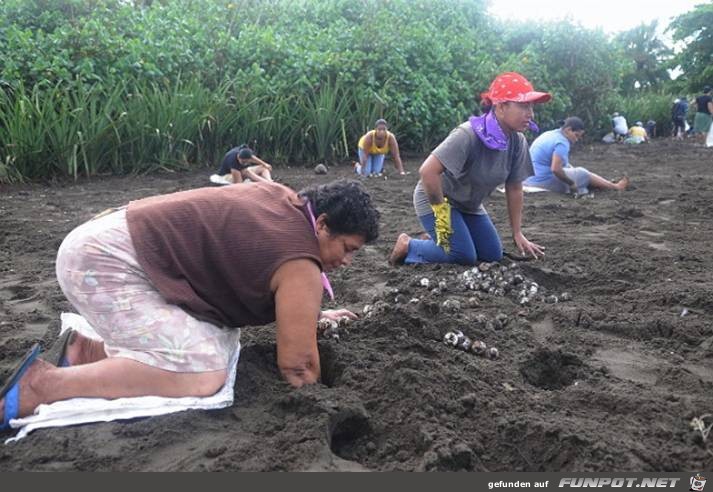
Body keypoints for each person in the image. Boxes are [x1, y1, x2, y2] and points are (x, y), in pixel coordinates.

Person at [0, 180, 380, 427]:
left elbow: (271, 274)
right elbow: (298, 366)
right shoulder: (300, 259)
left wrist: (311, 312)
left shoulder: (287, 204)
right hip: (105, 263)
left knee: (217, 338)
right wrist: (322, 409)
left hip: (106, 241)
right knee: (205, 371)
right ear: (323, 224)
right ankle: (46, 386)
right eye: (347, 249)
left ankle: (88, 351)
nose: (346, 261)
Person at [389, 72, 548, 267]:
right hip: (436, 200)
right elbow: (427, 172)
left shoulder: (518, 142)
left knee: (492, 254)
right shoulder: (468, 134)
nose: (530, 114)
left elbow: (514, 188)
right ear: (500, 107)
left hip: (469, 205)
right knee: (463, 255)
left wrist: (517, 233)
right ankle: (409, 245)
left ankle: (435, 242)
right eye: (523, 106)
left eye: (531, 106)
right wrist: (442, 216)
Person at [523, 117, 629, 195]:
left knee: (572, 169)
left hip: (528, 179)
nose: (576, 139)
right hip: (542, 181)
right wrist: (571, 183)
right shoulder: (562, 142)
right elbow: (556, 169)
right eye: (576, 135)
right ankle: (615, 187)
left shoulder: (550, 134)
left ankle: (605, 184)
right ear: (568, 130)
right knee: (582, 173)